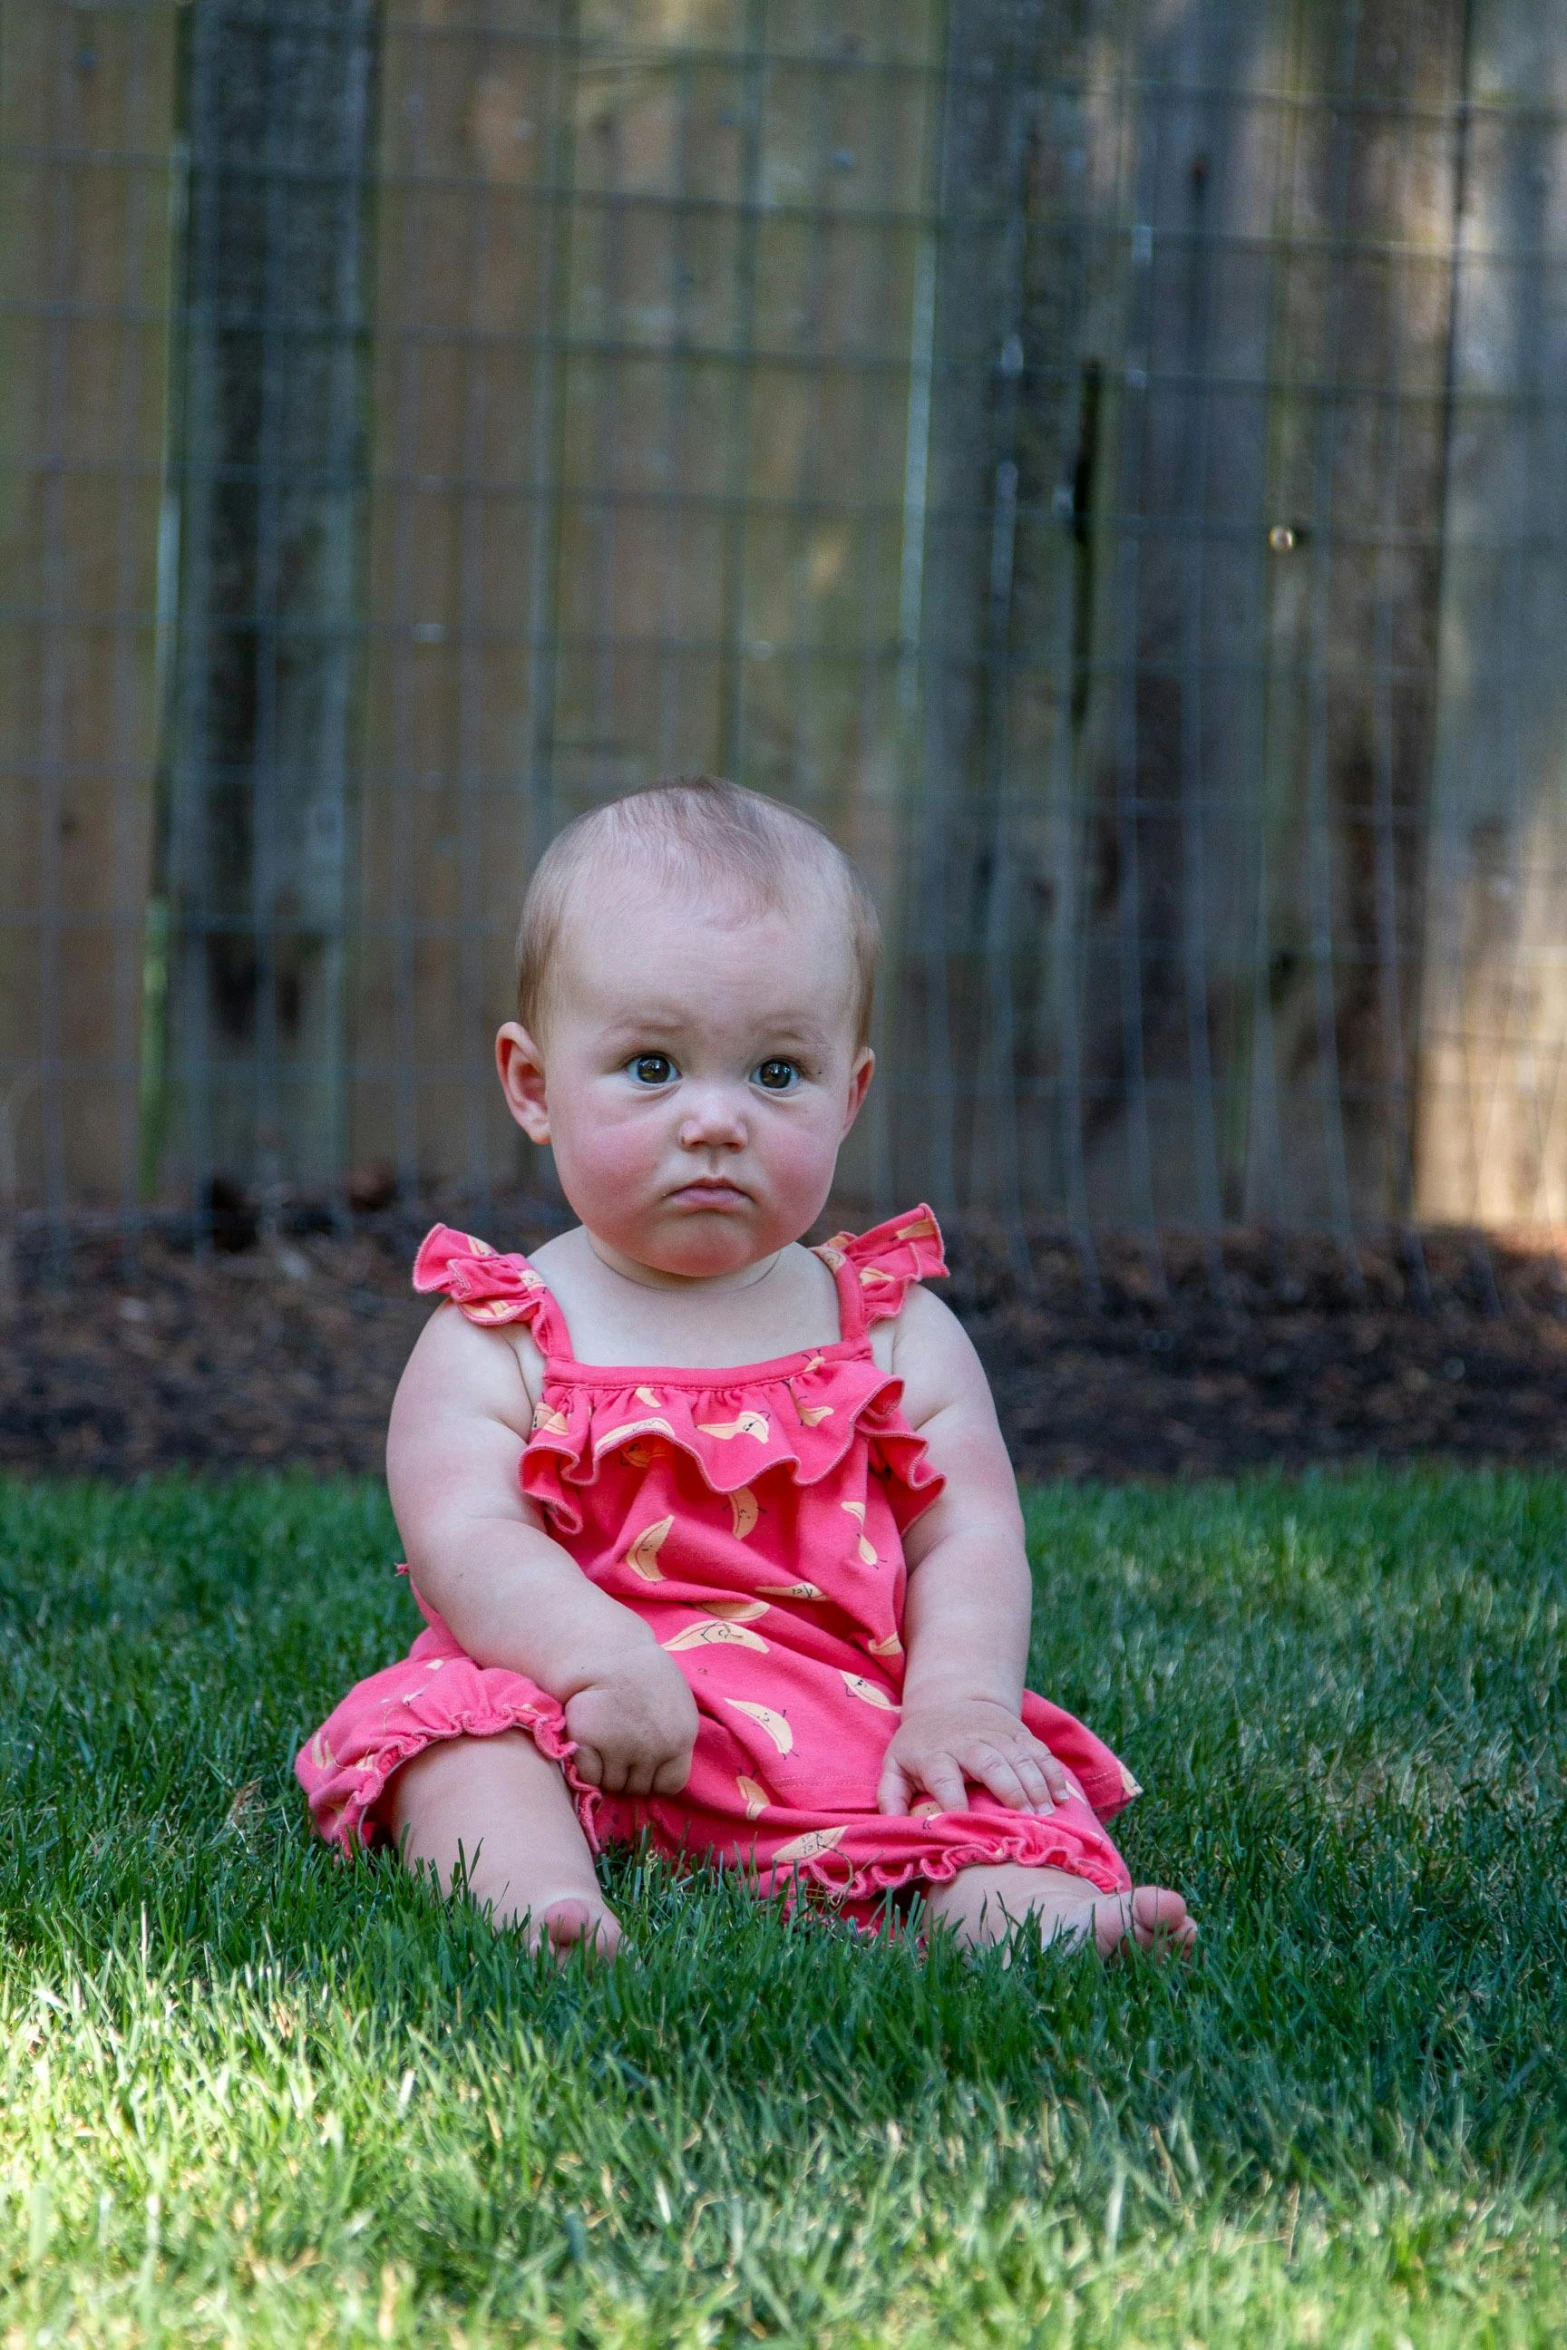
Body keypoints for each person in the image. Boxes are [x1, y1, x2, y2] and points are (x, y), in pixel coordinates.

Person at [297, 778, 1196, 1965]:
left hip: (840, 1716)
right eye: (653, 1066)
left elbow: (966, 1533)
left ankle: (1034, 1926)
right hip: (576, 1699)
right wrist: (598, 1659)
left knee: (979, 1791)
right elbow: (468, 1538)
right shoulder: (501, 1331)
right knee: (460, 1744)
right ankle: (536, 1904)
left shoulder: (888, 1332)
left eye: (776, 1073)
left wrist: (958, 1698)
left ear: (850, 1096)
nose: (714, 1120)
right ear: (532, 1086)